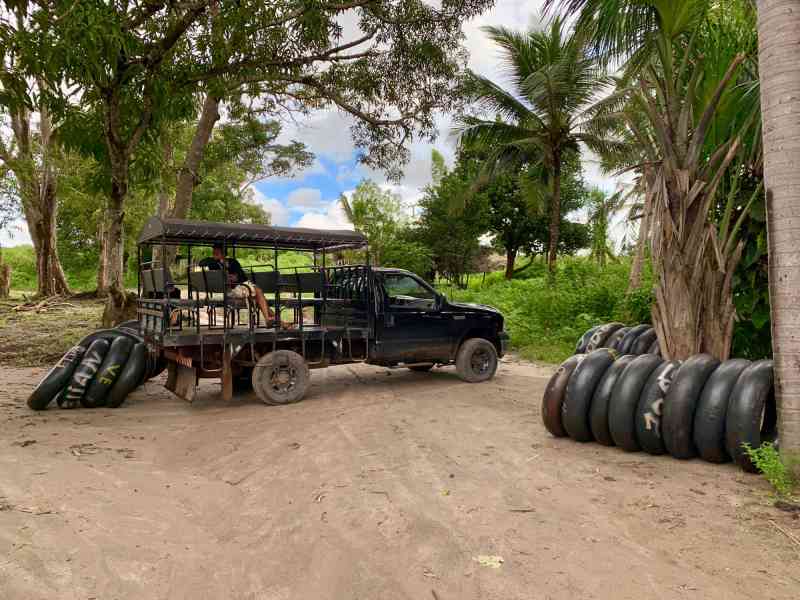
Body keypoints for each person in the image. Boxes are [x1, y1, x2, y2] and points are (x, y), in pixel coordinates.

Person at [202, 244, 275, 326]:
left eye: (216, 253)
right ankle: (269, 319)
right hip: (233, 292)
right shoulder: (213, 264)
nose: (214, 254)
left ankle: (274, 321)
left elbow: (241, 277)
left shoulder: (233, 262)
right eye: (214, 253)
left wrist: (234, 276)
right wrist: (218, 261)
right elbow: (202, 262)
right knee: (258, 291)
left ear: (223, 253)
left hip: (240, 289)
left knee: (259, 297)